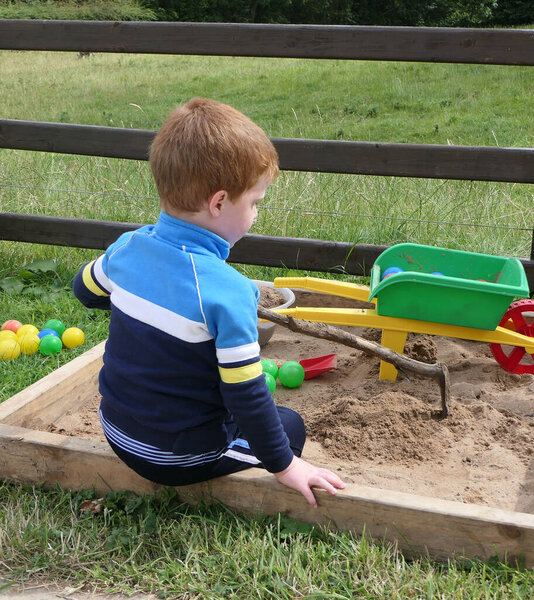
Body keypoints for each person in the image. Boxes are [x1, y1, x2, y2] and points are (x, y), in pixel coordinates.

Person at [73, 98, 345, 507]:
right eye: (254, 203)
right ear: (218, 203)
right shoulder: (228, 290)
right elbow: (247, 396)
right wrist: (286, 466)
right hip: (177, 457)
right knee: (288, 424)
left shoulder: (127, 248)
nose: (255, 214)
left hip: (117, 429)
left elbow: (85, 291)